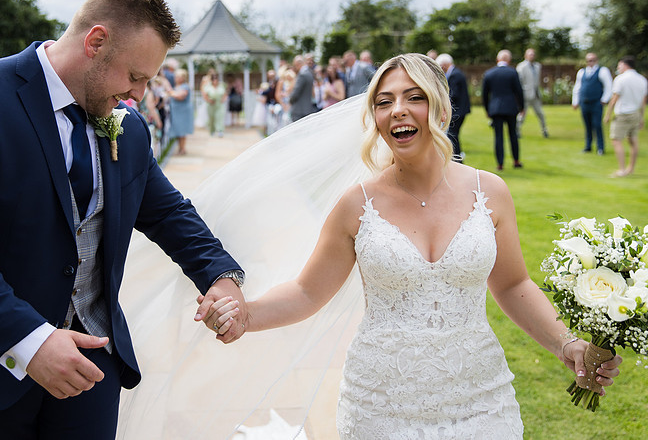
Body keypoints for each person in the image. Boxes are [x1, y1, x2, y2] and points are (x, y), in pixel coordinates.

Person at [200, 53, 622, 438]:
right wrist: (246, 316)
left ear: (441, 109)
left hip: (481, 399)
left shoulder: (490, 192)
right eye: (384, 102)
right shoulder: (356, 205)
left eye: (413, 97)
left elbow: (513, 285)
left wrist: (567, 344)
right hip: (380, 406)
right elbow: (307, 292)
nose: (397, 109)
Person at [0, 0, 246, 439]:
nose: (139, 95)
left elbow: (167, 213)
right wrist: (30, 341)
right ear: (96, 42)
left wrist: (220, 275)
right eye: (135, 76)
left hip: (94, 357)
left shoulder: (127, 126)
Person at [604, 56, 647, 177]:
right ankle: (631, 168)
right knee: (633, 140)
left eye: (619, 65)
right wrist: (642, 117)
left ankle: (622, 170)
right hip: (636, 114)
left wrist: (607, 114)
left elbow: (614, 98)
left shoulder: (620, 79)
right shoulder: (642, 79)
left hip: (622, 114)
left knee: (616, 140)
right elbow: (643, 101)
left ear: (625, 65)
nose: (618, 68)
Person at [483, 49, 524, 170]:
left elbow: (485, 94)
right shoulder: (513, 72)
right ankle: (516, 160)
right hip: (511, 107)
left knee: (498, 136)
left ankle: (500, 163)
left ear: (497, 59)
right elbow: (519, 91)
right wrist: (522, 107)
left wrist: (487, 109)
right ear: (509, 60)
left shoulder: (489, 73)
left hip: (495, 109)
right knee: (513, 135)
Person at [573, 52, 613, 155]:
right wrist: (575, 101)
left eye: (592, 60)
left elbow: (608, 86)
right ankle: (588, 146)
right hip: (584, 102)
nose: (590, 62)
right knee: (587, 125)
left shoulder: (602, 71)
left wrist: (604, 99)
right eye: (588, 61)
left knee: (597, 124)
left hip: (596, 102)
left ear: (596, 60)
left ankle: (600, 147)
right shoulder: (582, 72)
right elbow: (577, 87)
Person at [436, 53, 470, 161]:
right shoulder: (456, 73)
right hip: (460, 110)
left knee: (453, 135)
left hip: (458, 110)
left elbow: (453, 94)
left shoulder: (455, 75)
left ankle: (457, 158)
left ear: (445, 64)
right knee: (453, 134)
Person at [516, 48, 549, 138]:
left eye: (533, 54)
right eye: (530, 54)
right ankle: (517, 131)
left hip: (536, 95)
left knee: (540, 114)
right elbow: (519, 81)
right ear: (526, 55)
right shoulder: (521, 67)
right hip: (525, 95)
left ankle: (544, 130)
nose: (532, 56)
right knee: (522, 115)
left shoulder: (537, 66)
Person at [164, 68, 194, 155]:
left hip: (182, 112)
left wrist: (170, 93)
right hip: (176, 111)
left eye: (179, 77)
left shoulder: (185, 86)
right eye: (176, 76)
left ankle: (182, 148)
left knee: (182, 130)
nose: (177, 78)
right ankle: (180, 148)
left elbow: (180, 96)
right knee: (178, 130)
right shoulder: (176, 86)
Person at [289, 54, 316, 122]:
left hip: (299, 111)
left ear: (298, 64)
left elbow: (296, 92)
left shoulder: (302, 74)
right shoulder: (309, 73)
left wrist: (290, 100)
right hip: (307, 109)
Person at [202, 71, 227, 137]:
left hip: (219, 104)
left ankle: (220, 130)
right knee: (212, 118)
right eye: (213, 79)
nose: (215, 81)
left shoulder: (221, 86)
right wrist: (209, 100)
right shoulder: (208, 86)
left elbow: (225, 94)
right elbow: (205, 95)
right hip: (211, 105)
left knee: (220, 117)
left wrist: (223, 99)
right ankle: (212, 130)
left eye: (216, 79)